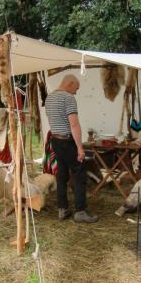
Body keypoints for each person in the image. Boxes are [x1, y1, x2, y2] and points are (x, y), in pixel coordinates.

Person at [45, 74, 99, 223]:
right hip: (67, 142)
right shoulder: (68, 98)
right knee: (80, 174)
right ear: (69, 84)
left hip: (55, 140)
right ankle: (80, 212)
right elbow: (74, 125)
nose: (76, 92)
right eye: (76, 88)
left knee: (61, 175)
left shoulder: (49, 98)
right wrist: (80, 149)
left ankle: (62, 209)